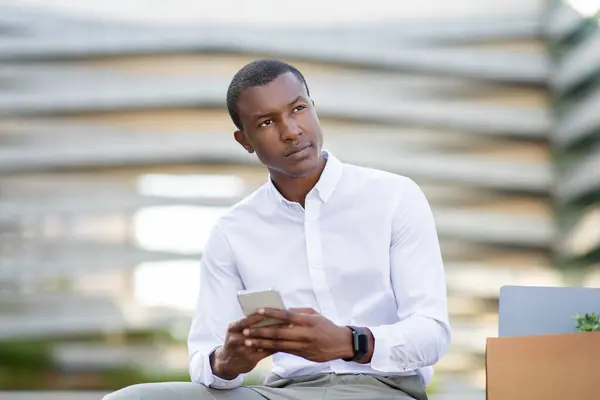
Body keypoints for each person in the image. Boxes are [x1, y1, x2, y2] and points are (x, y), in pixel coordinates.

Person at [104, 59, 451, 400]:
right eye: (267, 121)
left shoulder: (394, 197)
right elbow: (203, 356)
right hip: (283, 392)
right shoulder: (232, 232)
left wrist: (349, 341)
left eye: (298, 109)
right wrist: (227, 361)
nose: (291, 131)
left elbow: (432, 334)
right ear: (245, 141)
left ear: (313, 109)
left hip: (384, 388)